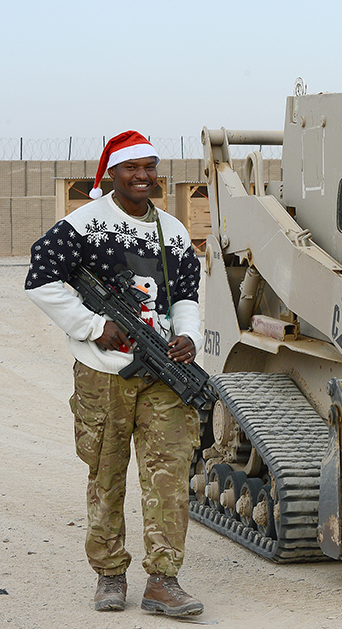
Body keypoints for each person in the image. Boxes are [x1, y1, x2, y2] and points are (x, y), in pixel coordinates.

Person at [24, 131, 204, 617]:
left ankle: (163, 580)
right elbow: (40, 279)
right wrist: (91, 326)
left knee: (169, 475)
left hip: (165, 371)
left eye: (150, 166)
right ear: (110, 174)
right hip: (103, 373)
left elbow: (186, 294)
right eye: (131, 168)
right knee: (106, 474)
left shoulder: (173, 230)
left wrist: (189, 336)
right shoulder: (82, 225)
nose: (142, 176)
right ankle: (110, 574)